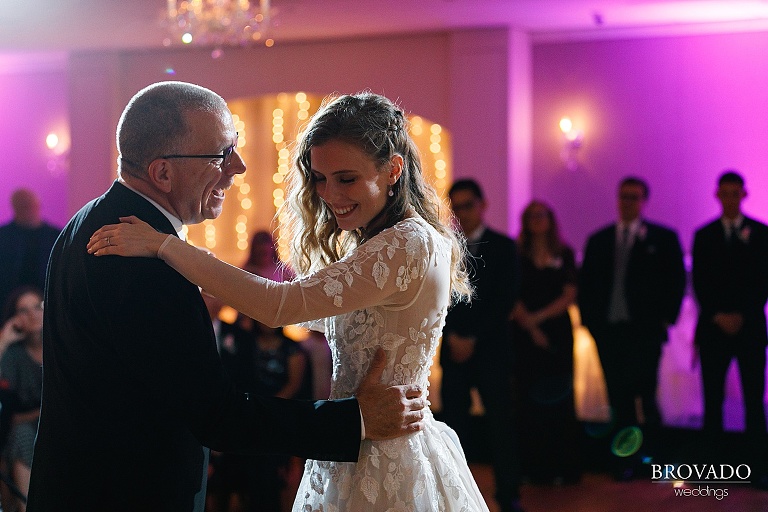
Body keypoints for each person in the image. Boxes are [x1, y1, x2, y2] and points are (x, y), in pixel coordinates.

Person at [27, 82, 426, 512]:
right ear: (162, 173)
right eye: (221, 153)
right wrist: (355, 420)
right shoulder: (138, 259)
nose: (236, 166)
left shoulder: (88, 221)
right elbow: (216, 415)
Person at [579, 176, 686, 479]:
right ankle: (624, 460)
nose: (628, 202)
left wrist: (666, 319)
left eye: (635, 197)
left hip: (644, 331)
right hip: (609, 330)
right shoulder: (599, 240)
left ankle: (652, 458)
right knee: (618, 397)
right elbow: (588, 284)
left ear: (644, 201)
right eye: (624, 196)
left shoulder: (662, 239)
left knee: (646, 396)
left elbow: (675, 280)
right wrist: (592, 324)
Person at [439, 178, 523, 512]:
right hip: (453, 346)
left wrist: (472, 337)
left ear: (482, 204)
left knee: (501, 425)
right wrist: (452, 336)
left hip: (491, 350)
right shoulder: (444, 245)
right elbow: (436, 297)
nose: (462, 213)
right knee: (453, 429)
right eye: (456, 207)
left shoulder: (504, 246)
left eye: (467, 205)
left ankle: (508, 495)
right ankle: (454, 498)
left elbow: (505, 300)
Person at [691, 170, 768, 484]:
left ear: (744, 195)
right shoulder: (704, 234)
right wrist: (718, 314)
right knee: (712, 399)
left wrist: (743, 314)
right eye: (725, 192)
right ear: (717, 195)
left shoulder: (762, 233)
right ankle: (713, 470)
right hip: (713, 327)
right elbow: (699, 281)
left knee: (753, 399)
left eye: (736, 193)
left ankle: (759, 469)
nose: (731, 198)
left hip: (749, 327)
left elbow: (763, 280)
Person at [510, 200, 581, 485]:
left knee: (560, 397)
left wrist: (538, 319)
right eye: (531, 216)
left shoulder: (564, 253)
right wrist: (528, 323)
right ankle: (531, 467)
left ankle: (561, 467)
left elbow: (570, 294)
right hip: (523, 335)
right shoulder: (517, 254)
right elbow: (510, 292)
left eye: (542, 215)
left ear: (551, 219)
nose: (537, 220)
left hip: (556, 334)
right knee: (527, 398)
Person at [0, 286, 44, 511]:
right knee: (22, 434)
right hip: (30, 431)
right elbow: (13, 419)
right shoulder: (15, 356)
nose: (33, 314)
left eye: (37, 306)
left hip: (66, 425)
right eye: (24, 310)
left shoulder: (63, 344)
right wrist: (3, 341)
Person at [0, 189, 60, 310]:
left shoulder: (55, 237)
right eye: (23, 206)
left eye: (30, 205)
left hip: (47, 301)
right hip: (6, 302)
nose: (28, 210)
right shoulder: (3, 236)